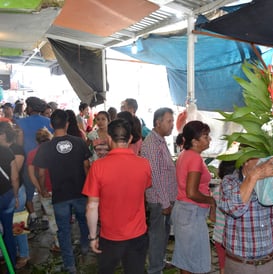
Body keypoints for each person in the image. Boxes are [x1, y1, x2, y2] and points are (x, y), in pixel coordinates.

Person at [82, 119, 152, 274]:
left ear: (108, 138)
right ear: (130, 139)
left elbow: (92, 206)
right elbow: (144, 189)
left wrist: (93, 237)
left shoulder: (98, 167)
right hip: (138, 234)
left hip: (110, 236)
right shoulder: (144, 164)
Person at [219, 153, 273, 274]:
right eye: (261, 158)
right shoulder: (230, 181)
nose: (266, 162)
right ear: (246, 160)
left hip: (269, 263)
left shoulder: (272, 181)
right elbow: (234, 209)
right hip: (240, 265)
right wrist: (254, 176)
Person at [32, 109, 91, 274]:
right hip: (80, 191)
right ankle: (85, 247)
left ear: (51, 125)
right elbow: (87, 166)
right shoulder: (79, 142)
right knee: (83, 220)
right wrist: (90, 187)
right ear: (67, 123)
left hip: (60, 195)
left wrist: (43, 189)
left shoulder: (45, 147)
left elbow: (41, 173)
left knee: (63, 230)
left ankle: (70, 265)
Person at [171, 120, 216, 274]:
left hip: (185, 211)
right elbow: (192, 192)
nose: (209, 139)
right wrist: (211, 201)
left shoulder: (186, 154)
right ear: (194, 141)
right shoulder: (194, 158)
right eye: (205, 136)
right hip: (191, 212)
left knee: (187, 260)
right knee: (193, 261)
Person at [140, 107, 177, 274]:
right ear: (158, 122)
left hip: (166, 198)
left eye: (172, 121)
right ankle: (155, 269)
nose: (172, 125)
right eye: (169, 121)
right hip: (159, 200)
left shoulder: (160, 140)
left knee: (163, 234)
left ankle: (160, 261)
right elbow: (155, 176)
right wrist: (164, 203)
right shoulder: (152, 144)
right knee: (157, 235)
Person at [15, 96, 52, 230]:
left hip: (27, 161)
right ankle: (46, 216)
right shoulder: (48, 121)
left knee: (29, 190)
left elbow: (18, 143)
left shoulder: (20, 122)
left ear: (29, 108)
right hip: (46, 161)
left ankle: (33, 216)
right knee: (45, 187)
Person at [0, 122, 30, 269]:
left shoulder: (15, 149)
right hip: (11, 192)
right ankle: (11, 254)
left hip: (16, 191)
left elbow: (15, 174)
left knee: (18, 226)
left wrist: (16, 195)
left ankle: (23, 254)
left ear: (4, 135)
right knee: (10, 228)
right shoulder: (8, 150)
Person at [27, 128, 60, 253]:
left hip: (45, 190)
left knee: (52, 217)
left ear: (37, 141)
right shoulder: (56, 150)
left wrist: (40, 189)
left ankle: (58, 243)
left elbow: (32, 175)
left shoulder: (32, 154)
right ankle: (65, 240)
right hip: (59, 188)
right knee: (63, 215)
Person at [211, 160, 236, 274]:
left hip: (218, 236)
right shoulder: (238, 192)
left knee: (223, 266)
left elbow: (213, 217)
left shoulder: (216, 191)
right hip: (233, 239)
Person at [0, 144, 19, 269]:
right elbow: (15, 177)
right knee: (8, 231)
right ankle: (11, 262)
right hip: (6, 196)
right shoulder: (5, 150)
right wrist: (16, 196)